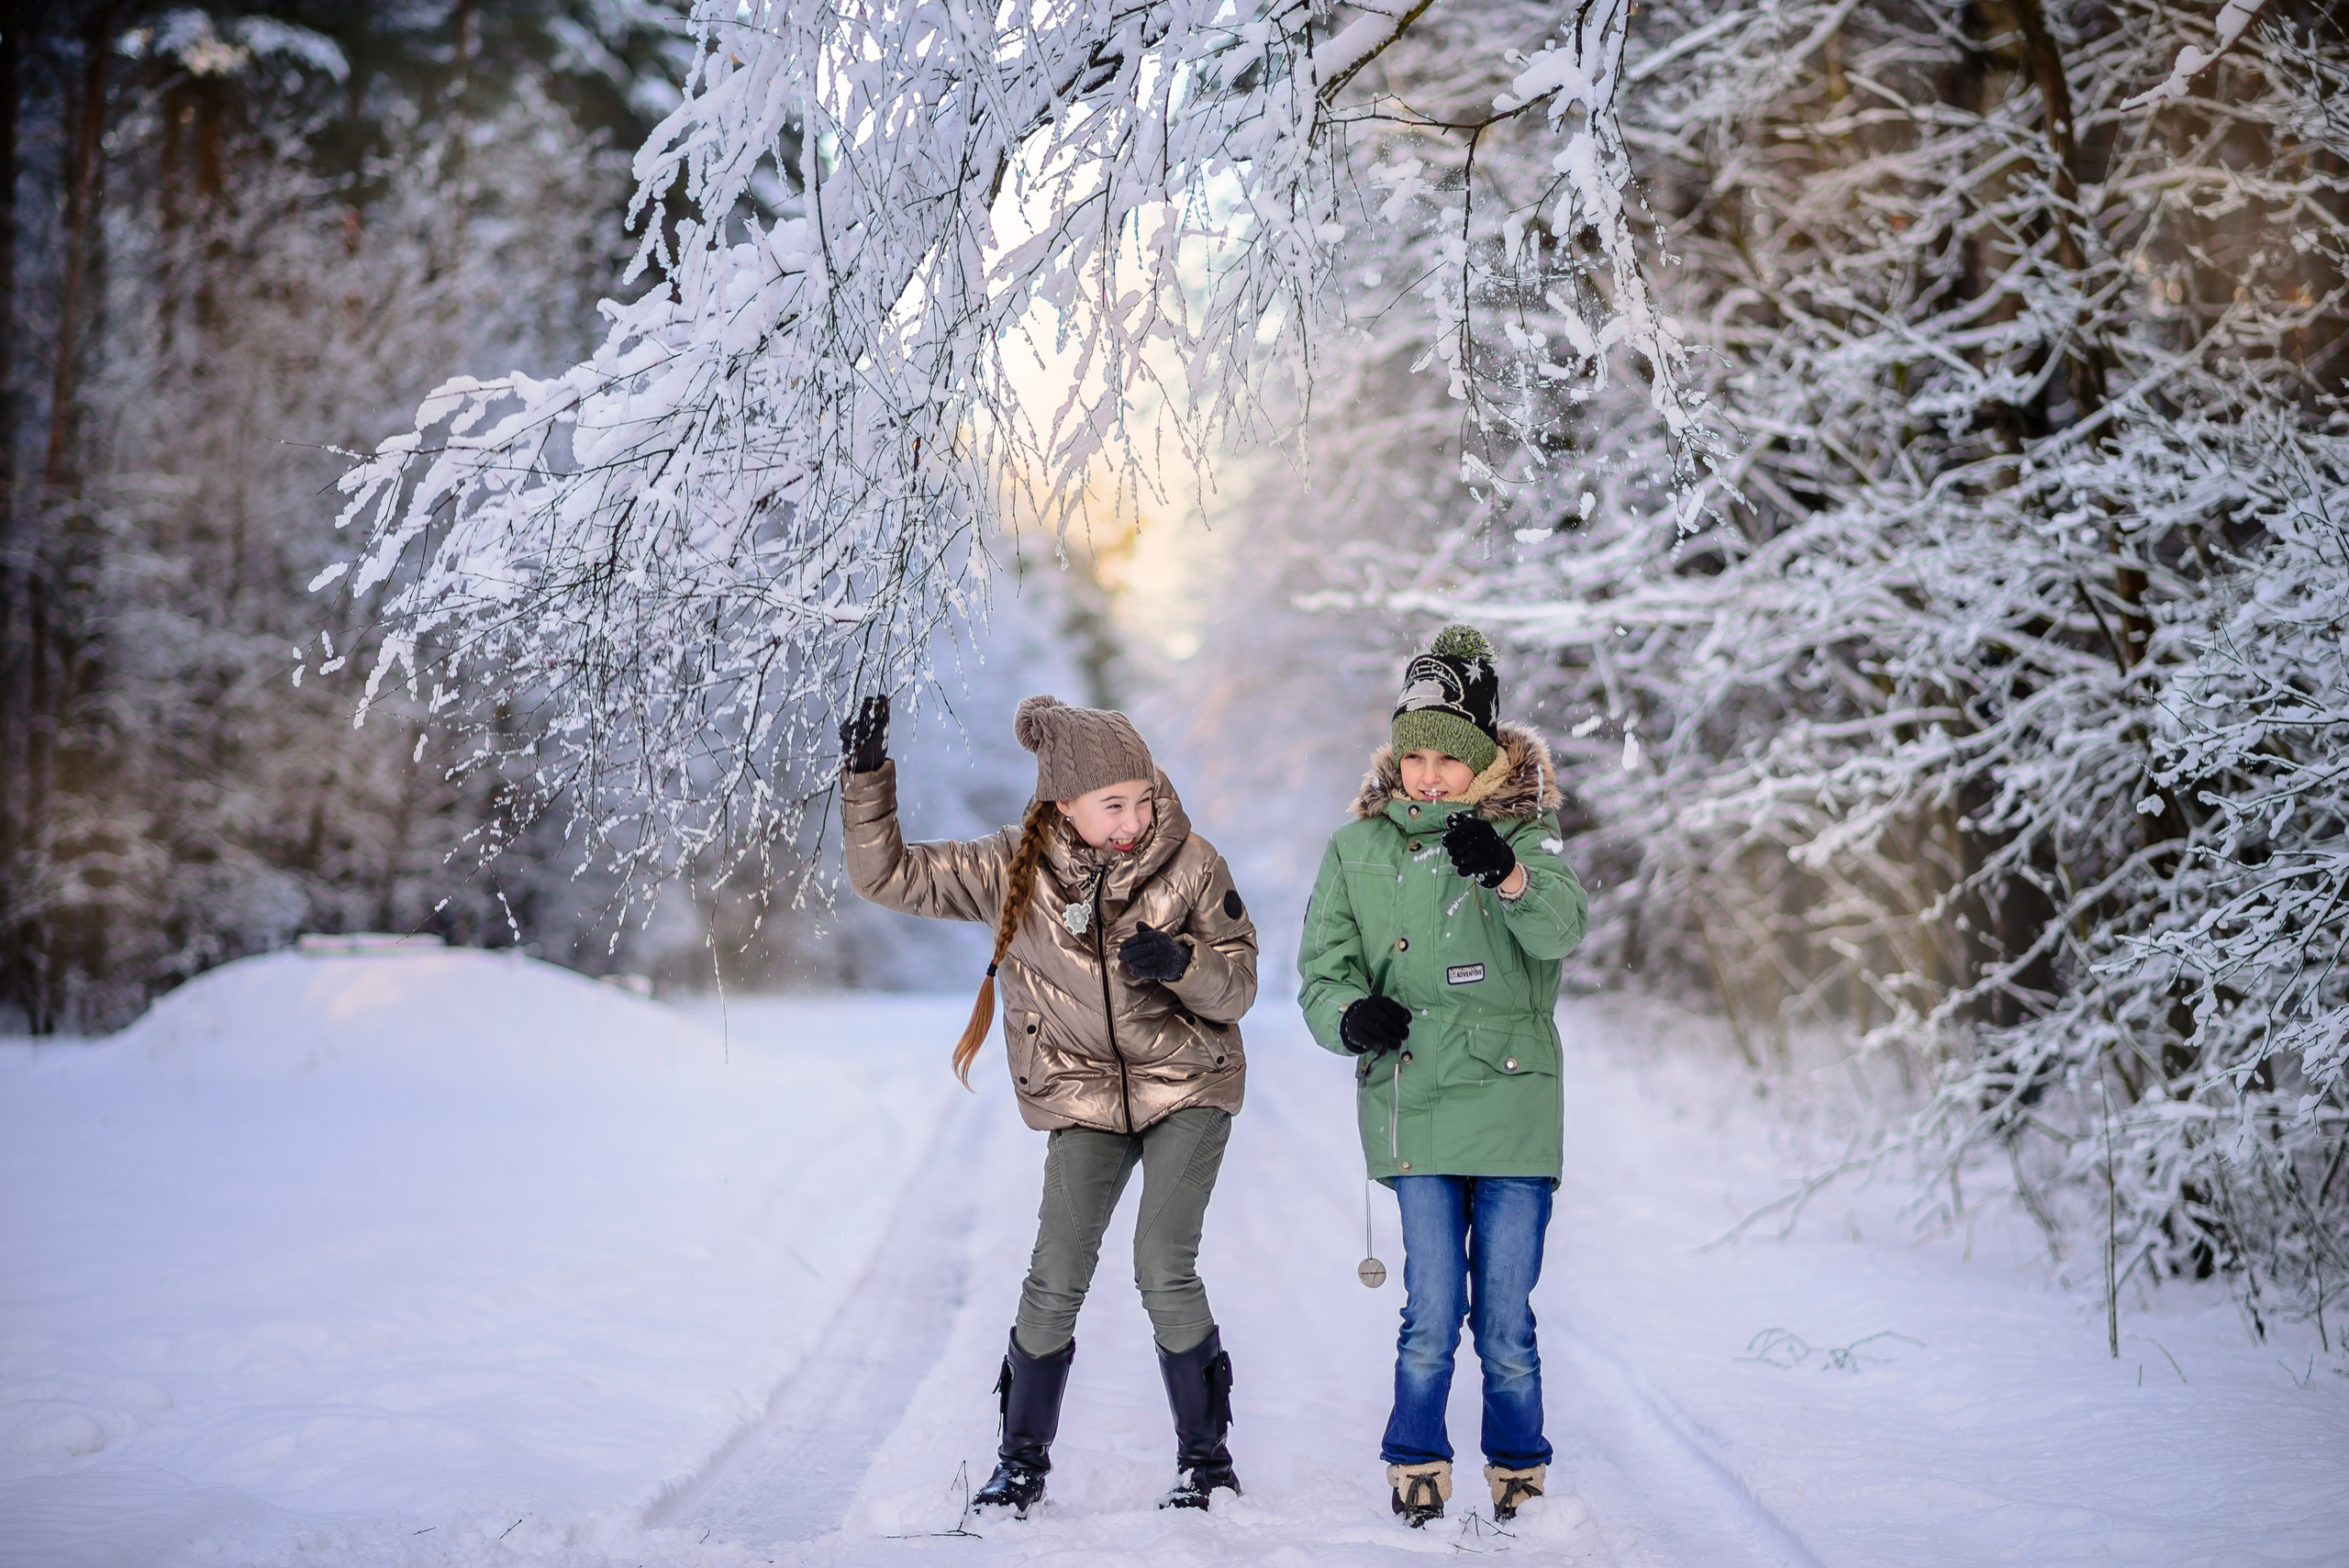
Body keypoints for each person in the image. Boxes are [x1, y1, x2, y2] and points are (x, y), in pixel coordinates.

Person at [839, 692, 1258, 1516]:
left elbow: (1238, 985)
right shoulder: (1011, 869)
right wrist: (865, 782)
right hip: (1081, 1095)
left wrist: (1180, 960)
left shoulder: (1194, 862)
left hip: (1189, 1083)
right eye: (1114, 805)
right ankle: (1020, 1463)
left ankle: (1208, 1465)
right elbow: (884, 875)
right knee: (1055, 1274)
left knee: (1161, 1265)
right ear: (1063, 803)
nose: (1135, 817)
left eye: (1143, 797)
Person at [1297, 625, 1588, 1528]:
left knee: (1503, 1318)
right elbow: (1323, 966)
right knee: (1430, 1310)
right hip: (1413, 1102)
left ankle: (1519, 1464)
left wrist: (1503, 874)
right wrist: (1350, 1014)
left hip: (1511, 1105)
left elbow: (1561, 931)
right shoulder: (1358, 849)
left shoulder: (1529, 838)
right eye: (1413, 753)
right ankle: (1415, 1451)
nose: (1428, 775)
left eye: (1448, 758)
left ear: (1485, 758)